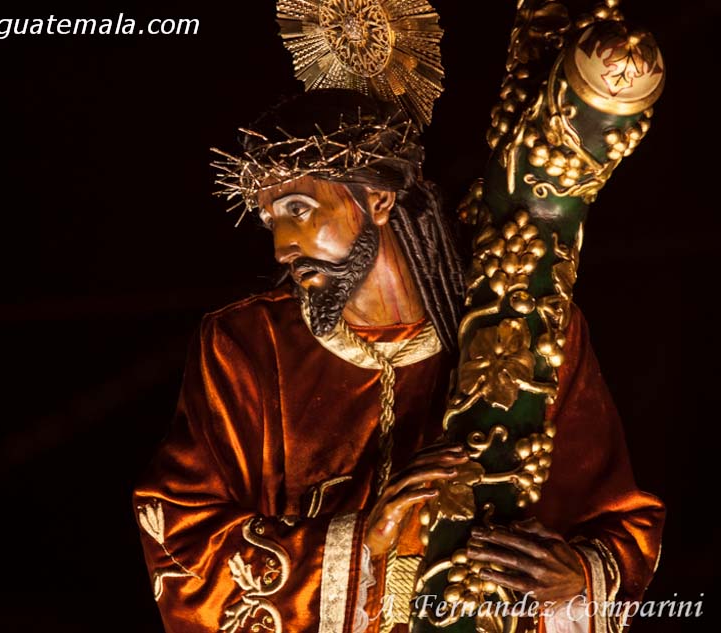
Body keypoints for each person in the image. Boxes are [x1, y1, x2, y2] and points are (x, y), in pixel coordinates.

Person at [132, 88, 663, 633]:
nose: (282, 247)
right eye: (272, 220)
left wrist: (577, 581)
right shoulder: (246, 344)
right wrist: (361, 541)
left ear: (379, 200)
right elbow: (177, 535)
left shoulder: (523, 324)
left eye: (298, 209)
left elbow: (617, 519)